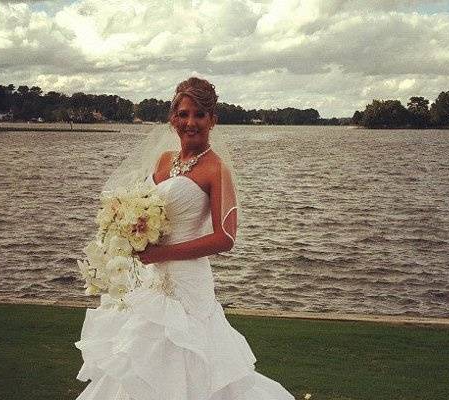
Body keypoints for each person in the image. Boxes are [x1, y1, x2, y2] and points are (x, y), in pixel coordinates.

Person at [74, 77, 295, 400]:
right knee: (138, 360)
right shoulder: (163, 159)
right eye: (183, 114)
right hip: (152, 278)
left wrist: (164, 253)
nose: (190, 123)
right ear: (172, 118)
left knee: (191, 363)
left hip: (187, 285)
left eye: (199, 115)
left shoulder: (216, 169)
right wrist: (129, 226)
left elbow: (225, 238)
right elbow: (145, 207)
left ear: (213, 120)